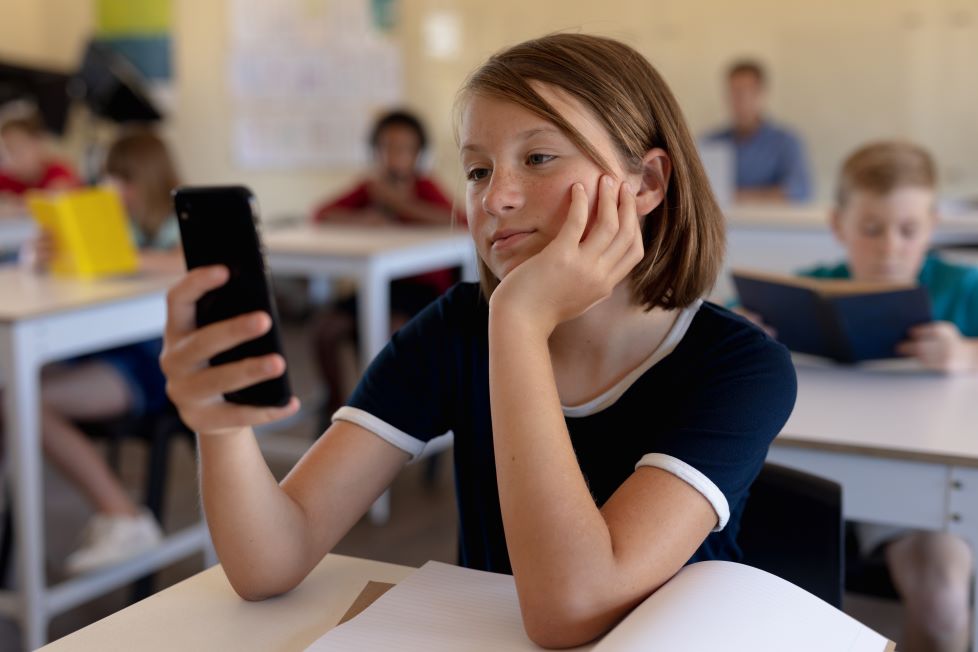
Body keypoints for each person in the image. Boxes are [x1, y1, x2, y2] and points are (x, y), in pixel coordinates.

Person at [160, 34, 796, 648]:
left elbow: (570, 610)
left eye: (538, 158)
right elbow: (269, 562)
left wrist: (518, 323)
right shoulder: (457, 327)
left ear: (648, 184)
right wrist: (220, 424)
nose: (496, 197)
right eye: (477, 169)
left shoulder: (740, 368)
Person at [740, 141, 976, 652]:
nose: (890, 247)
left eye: (908, 230)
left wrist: (968, 355)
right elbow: (727, 318)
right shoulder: (814, 287)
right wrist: (744, 327)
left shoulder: (964, 287)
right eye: (871, 229)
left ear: (932, 226)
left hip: (927, 478)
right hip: (821, 462)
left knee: (941, 602)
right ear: (839, 225)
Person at [21, 128, 185, 575]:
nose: (118, 191)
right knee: (16, 389)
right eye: (112, 180)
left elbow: (186, 263)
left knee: (23, 400)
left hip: (153, 369)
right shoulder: (114, 225)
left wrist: (120, 257)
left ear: (150, 180)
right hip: (99, 356)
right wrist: (43, 257)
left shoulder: (177, 223)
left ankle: (124, 516)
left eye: (127, 181)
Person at [311, 109, 458, 417]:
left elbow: (457, 219)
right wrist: (362, 219)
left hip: (422, 289)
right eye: (387, 147)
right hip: (379, 285)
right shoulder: (370, 188)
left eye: (404, 148)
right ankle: (337, 408)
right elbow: (322, 213)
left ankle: (390, 410)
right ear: (375, 151)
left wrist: (400, 204)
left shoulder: (424, 186)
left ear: (418, 154)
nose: (395, 156)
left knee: (393, 331)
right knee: (325, 329)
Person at [704, 59, 812, 203]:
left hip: (769, 224)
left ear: (760, 93)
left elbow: (800, 190)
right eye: (733, 92)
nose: (738, 99)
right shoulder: (710, 142)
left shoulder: (786, 141)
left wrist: (737, 196)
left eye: (745, 92)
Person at [0, 108, 80, 208]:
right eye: (8, 150)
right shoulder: (5, 179)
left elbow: (60, 198)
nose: (13, 157)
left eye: (19, 149)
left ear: (37, 144)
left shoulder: (57, 171)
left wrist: (17, 204)